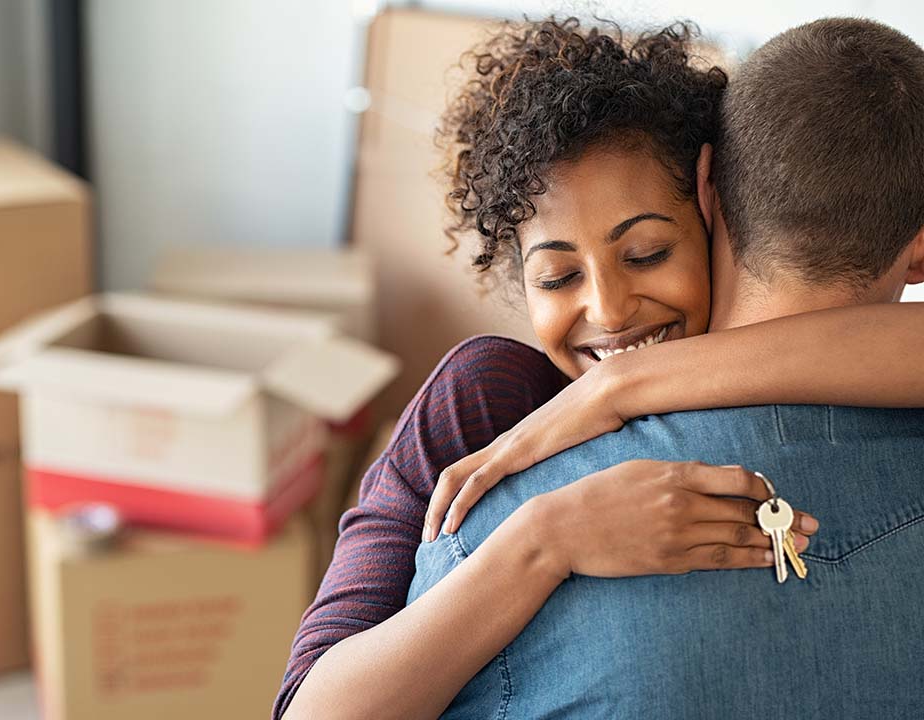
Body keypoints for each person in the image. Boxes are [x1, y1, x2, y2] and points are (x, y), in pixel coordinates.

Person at [275, 17, 924, 720]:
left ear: (709, 201)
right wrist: (542, 540)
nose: (611, 312)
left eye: (646, 254)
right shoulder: (482, 410)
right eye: (556, 278)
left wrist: (623, 386)